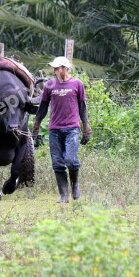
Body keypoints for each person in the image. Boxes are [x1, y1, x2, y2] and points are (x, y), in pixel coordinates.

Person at [31, 56, 92, 203]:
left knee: (71, 160)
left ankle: (75, 184)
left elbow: (82, 108)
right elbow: (43, 108)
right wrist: (36, 127)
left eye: (57, 68)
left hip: (72, 129)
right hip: (55, 130)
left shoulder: (77, 84)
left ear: (65, 68)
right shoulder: (50, 85)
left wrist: (86, 127)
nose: (54, 70)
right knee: (57, 163)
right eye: (54, 68)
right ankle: (64, 195)